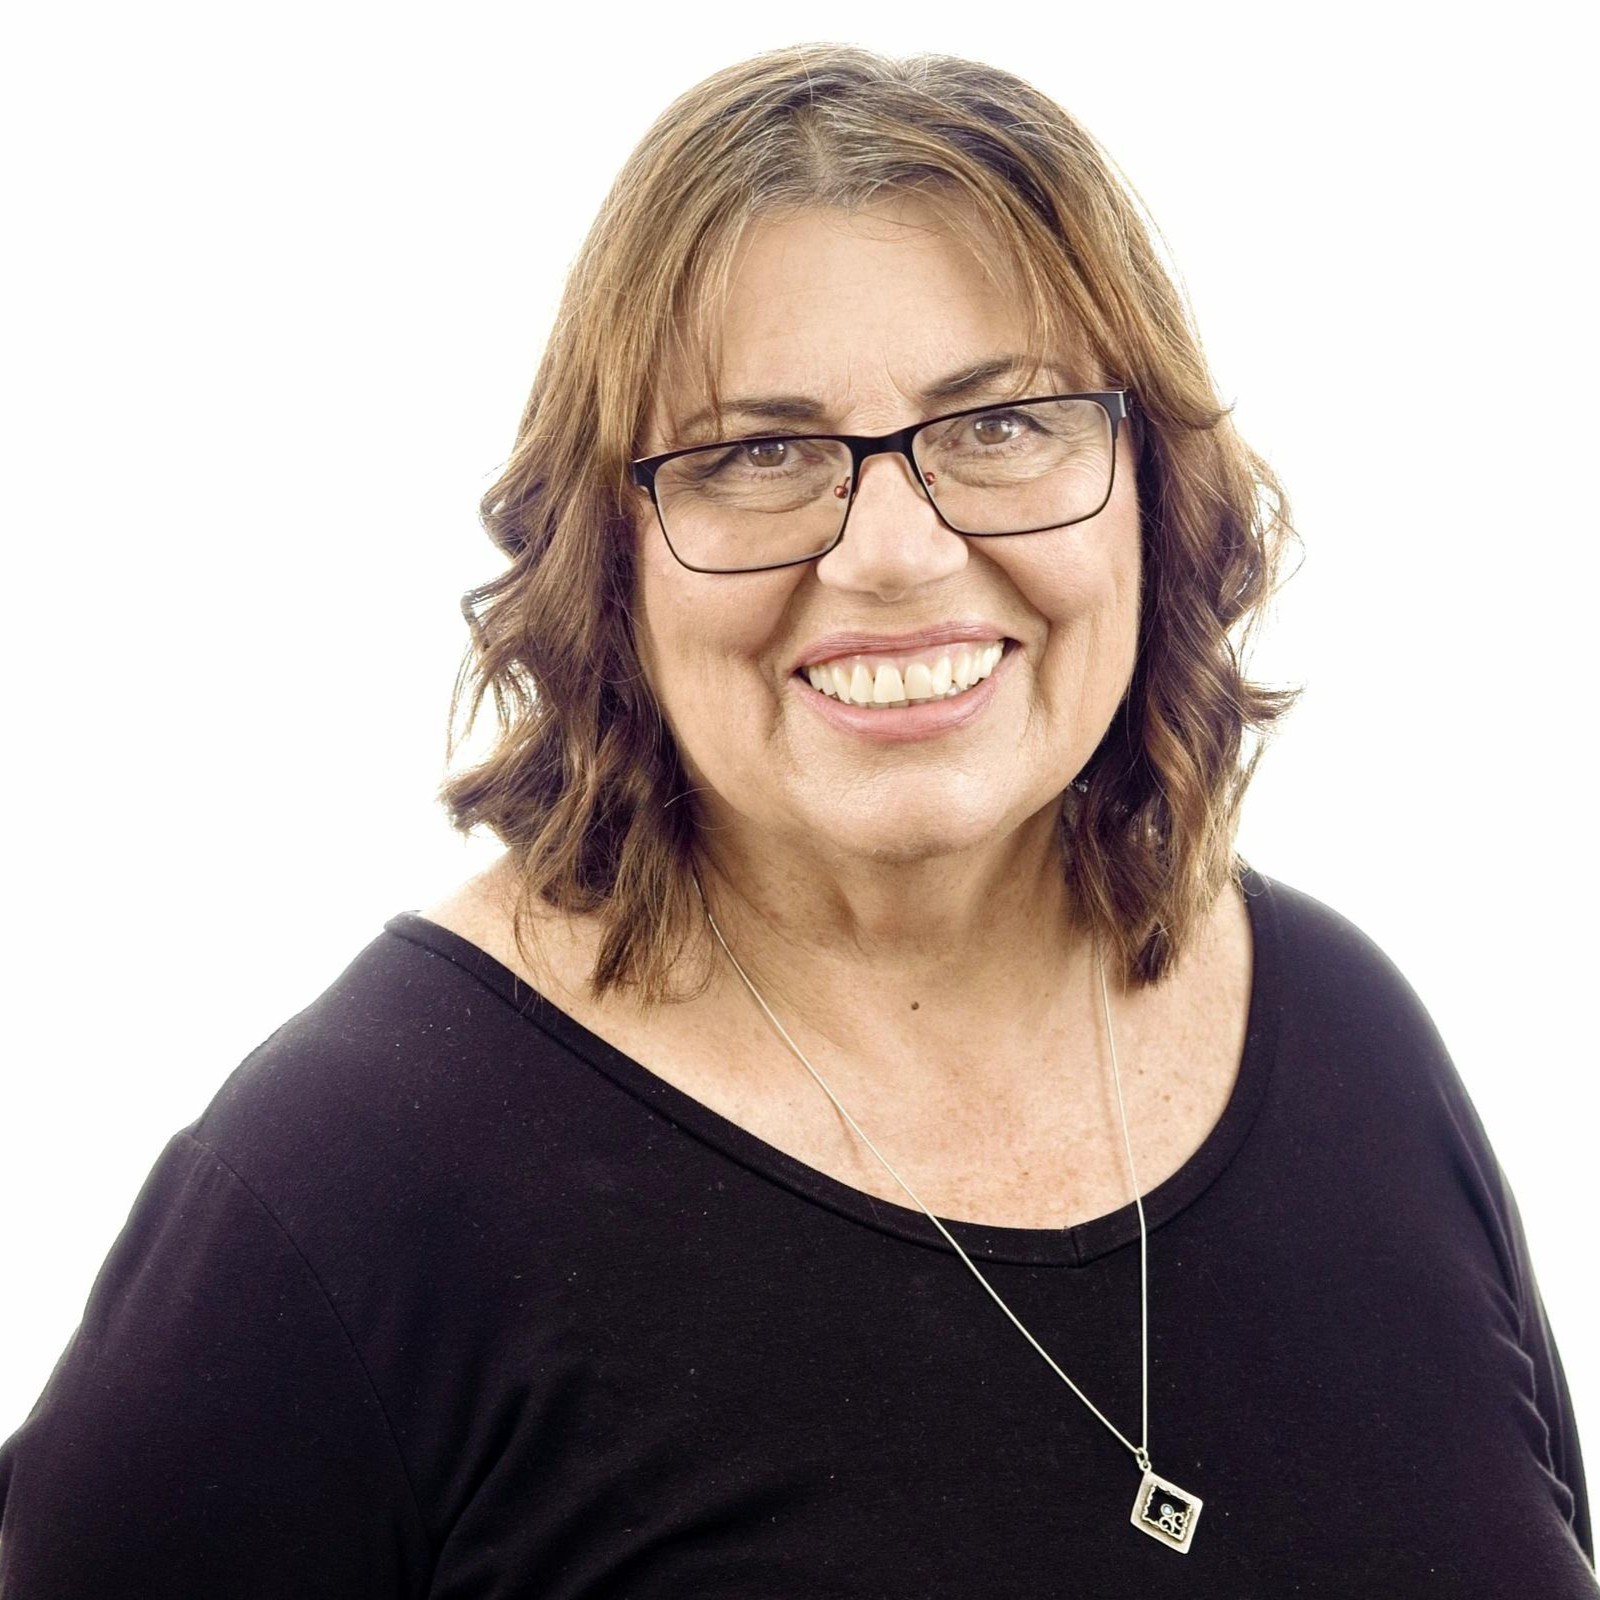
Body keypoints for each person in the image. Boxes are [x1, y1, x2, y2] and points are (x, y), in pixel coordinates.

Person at [0, 42, 1593, 1597]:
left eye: (1001, 423)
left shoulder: (1345, 1030)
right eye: (759, 452)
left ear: (1153, 493)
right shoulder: (355, 1177)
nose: (895, 553)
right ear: (604, 558)